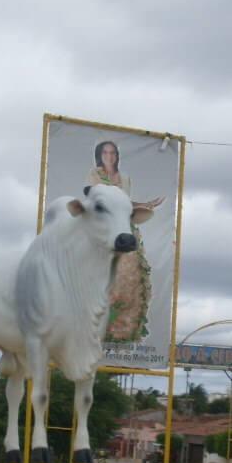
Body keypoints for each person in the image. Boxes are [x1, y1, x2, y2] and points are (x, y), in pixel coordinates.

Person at [85, 140, 163, 343]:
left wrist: (145, 204)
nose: (109, 156)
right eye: (105, 153)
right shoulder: (94, 175)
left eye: (113, 153)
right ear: (99, 156)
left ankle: (123, 328)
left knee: (130, 276)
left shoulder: (125, 179)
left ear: (117, 156)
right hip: (103, 227)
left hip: (123, 226)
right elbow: (98, 198)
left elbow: (125, 202)